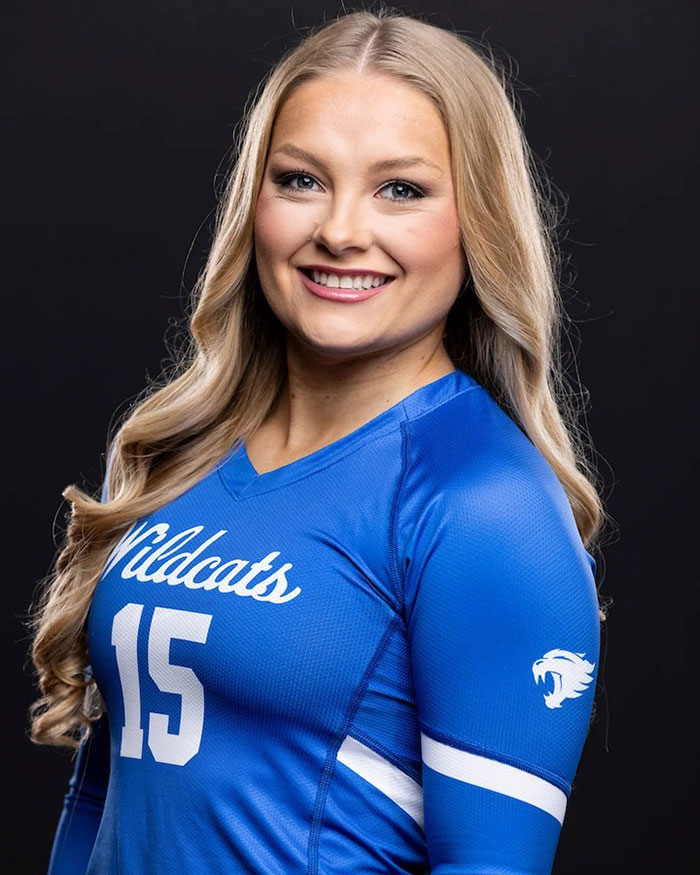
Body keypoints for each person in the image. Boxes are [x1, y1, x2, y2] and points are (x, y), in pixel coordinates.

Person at [28, 6, 609, 874]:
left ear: (475, 222)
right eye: (300, 179)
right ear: (252, 202)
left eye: (400, 189)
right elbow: (98, 802)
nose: (340, 230)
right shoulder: (171, 454)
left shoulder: (485, 503)